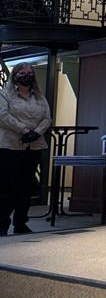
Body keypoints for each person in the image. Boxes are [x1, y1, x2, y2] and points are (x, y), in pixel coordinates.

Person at [0, 63, 52, 236]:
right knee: (8, 187)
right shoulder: (4, 94)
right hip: (10, 146)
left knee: (26, 187)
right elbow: (3, 116)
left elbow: (47, 118)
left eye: (30, 73)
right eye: (22, 73)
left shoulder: (39, 97)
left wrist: (36, 133)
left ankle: (21, 223)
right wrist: (24, 130)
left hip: (34, 145)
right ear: (15, 75)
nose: (27, 75)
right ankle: (2, 224)